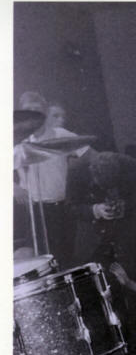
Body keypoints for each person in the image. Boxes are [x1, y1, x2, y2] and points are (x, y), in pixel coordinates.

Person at [14, 92, 88, 267]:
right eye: (27, 110)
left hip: (60, 209)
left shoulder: (60, 135)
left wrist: (70, 168)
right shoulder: (20, 143)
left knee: (63, 260)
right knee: (38, 263)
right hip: (34, 212)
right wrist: (13, 187)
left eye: (36, 110)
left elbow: (89, 155)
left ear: (45, 112)